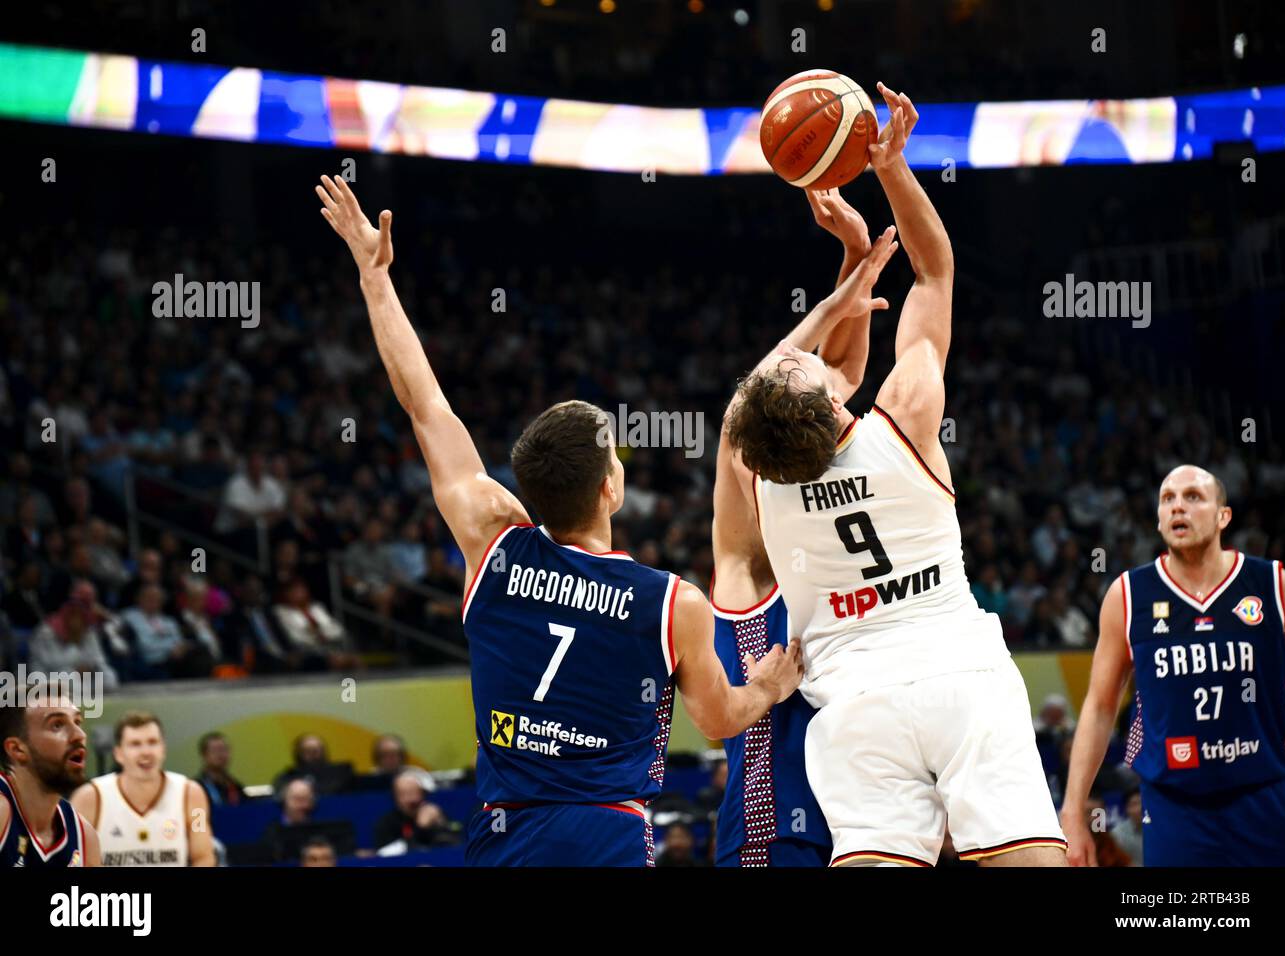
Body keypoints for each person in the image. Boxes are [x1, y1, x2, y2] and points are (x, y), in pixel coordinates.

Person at [315, 173, 808, 866]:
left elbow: (425, 406)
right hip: (606, 831)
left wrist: (374, 277)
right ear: (611, 488)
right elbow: (720, 718)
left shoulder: (493, 540)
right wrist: (768, 684)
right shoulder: (672, 603)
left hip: (506, 832)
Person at [724, 84, 1064, 867]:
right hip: (961, 676)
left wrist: (846, 276)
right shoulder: (905, 415)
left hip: (853, 707)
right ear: (829, 396)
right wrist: (891, 168)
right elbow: (936, 274)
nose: (804, 359)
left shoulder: (758, 477)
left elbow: (753, 396)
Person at [710, 187, 890, 868]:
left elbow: (837, 373)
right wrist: (840, 292)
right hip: (773, 830)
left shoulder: (819, 499)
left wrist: (851, 263)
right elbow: (743, 410)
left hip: (864, 824)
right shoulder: (750, 559)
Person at [1062, 464, 1285, 866]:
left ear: (1223, 516)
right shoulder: (1128, 595)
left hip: (1263, 795)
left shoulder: (1273, 585)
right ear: (1157, 520)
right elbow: (1100, 707)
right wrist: (1073, 811)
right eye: (1167, 499)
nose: (1177, 508)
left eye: (1193, 497)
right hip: (1174, 807)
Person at [71, 711, 215, 866]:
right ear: (118, 754)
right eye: (135, 744)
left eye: (152, 742)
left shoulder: (192, 794)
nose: (146, 752)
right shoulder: (89, 798)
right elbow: (74, 859)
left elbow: (203, 857)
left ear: (163, 749)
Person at [1, 691, 101, 867]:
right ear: (17, 749)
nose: (79, 735)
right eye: (57, 725)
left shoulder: (83, 836)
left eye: (77, 722)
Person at [373, 771, 460, 851]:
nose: (412, 799)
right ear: (395, 798)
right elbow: (386, 854)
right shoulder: (386, 823)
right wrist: (420, 828)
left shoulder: (434, 814)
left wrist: (442, 823)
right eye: (405, 794)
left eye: (415, 793)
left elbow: (456, 841)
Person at [195, 732, 245, 808]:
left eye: (224, 749)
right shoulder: (196, 787)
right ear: (204, 755)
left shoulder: (235, 786)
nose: (220, 754)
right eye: (215, 750)